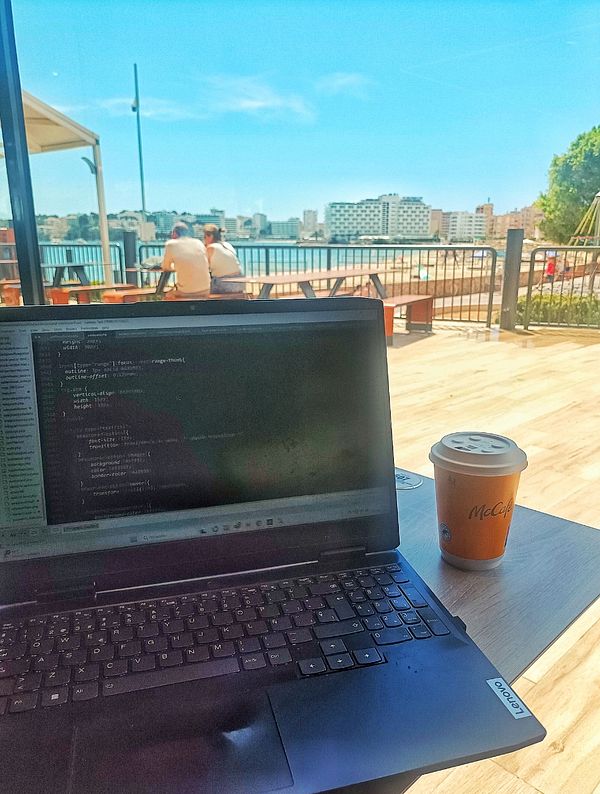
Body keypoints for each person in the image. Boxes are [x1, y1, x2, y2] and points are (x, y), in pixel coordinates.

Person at [161, 222, 210, 299]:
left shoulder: (170, 244)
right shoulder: (198, 242)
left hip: (186, 291)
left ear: (174, 233)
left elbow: (165, 267)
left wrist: (176, 267)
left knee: (166, 296)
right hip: (206, 289)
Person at [203, 224, 243, 294]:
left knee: (204, 288)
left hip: (225, 283)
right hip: (240, 281)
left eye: (204, 237)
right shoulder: (227, 245)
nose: (204, 240)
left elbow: (204, 268)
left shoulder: (211, 248)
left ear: (210, 236)